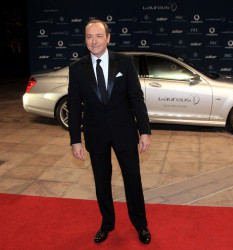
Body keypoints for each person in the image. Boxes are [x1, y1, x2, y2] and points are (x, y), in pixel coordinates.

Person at [67, 19, 151, 245]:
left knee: (132, 179)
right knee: (101, 182)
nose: (94, 41)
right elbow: (74, 106)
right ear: (84, 41)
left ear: (108, 38)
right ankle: (107, 224)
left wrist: (144, 130)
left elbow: (136, 98)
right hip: (95, 135)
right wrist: (75, 140)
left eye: (98, 36)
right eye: (89, 37)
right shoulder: (77, 69)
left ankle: (140, 225)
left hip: (124, 132)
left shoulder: (124, 62)